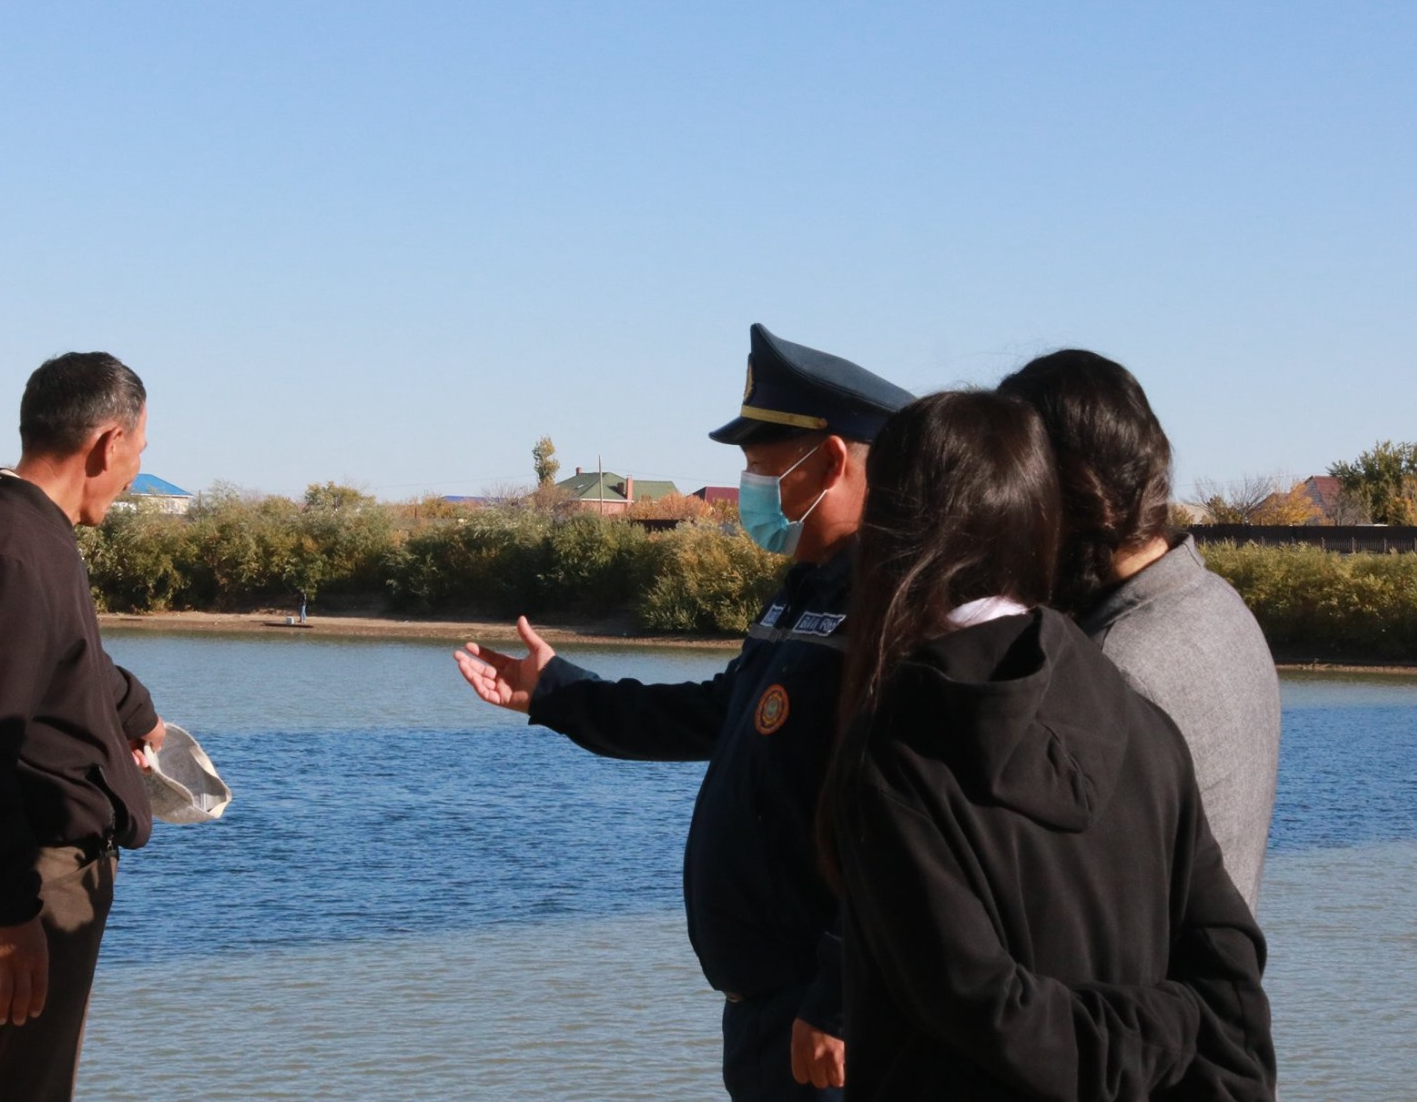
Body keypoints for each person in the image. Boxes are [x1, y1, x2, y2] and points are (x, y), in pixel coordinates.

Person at [455, 324, 913, 1101]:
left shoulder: (894, 608)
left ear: (830, 461)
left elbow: (902, 831)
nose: (753, 493)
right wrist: (559, 692)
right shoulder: (803, 590)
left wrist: (838, 995)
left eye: (766, 470)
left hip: (827, 1018)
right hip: (767, 1012)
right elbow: (717, 715)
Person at [827, 390, 1275, 1101]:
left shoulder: (895, 753)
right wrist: (1177, 1021)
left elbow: (983, 1006)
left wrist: (1169, 1021)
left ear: (892, 529)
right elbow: (1227, 968)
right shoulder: (1142, 723)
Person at [0, 352, 168, 1101]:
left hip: (46, 877)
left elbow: (71, 663)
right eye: (139, 453)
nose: (134, 474)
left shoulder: (36, 535)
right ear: (105, 443)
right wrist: (11, 911)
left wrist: (136, 716)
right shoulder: (10, 551)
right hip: (31, 878)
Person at [997, 350, 1280, 907]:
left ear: (1070, 496)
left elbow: (1079, 911)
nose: (1012, 527)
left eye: (1019, 497)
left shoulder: (1114, 666)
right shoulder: (1220, 603)